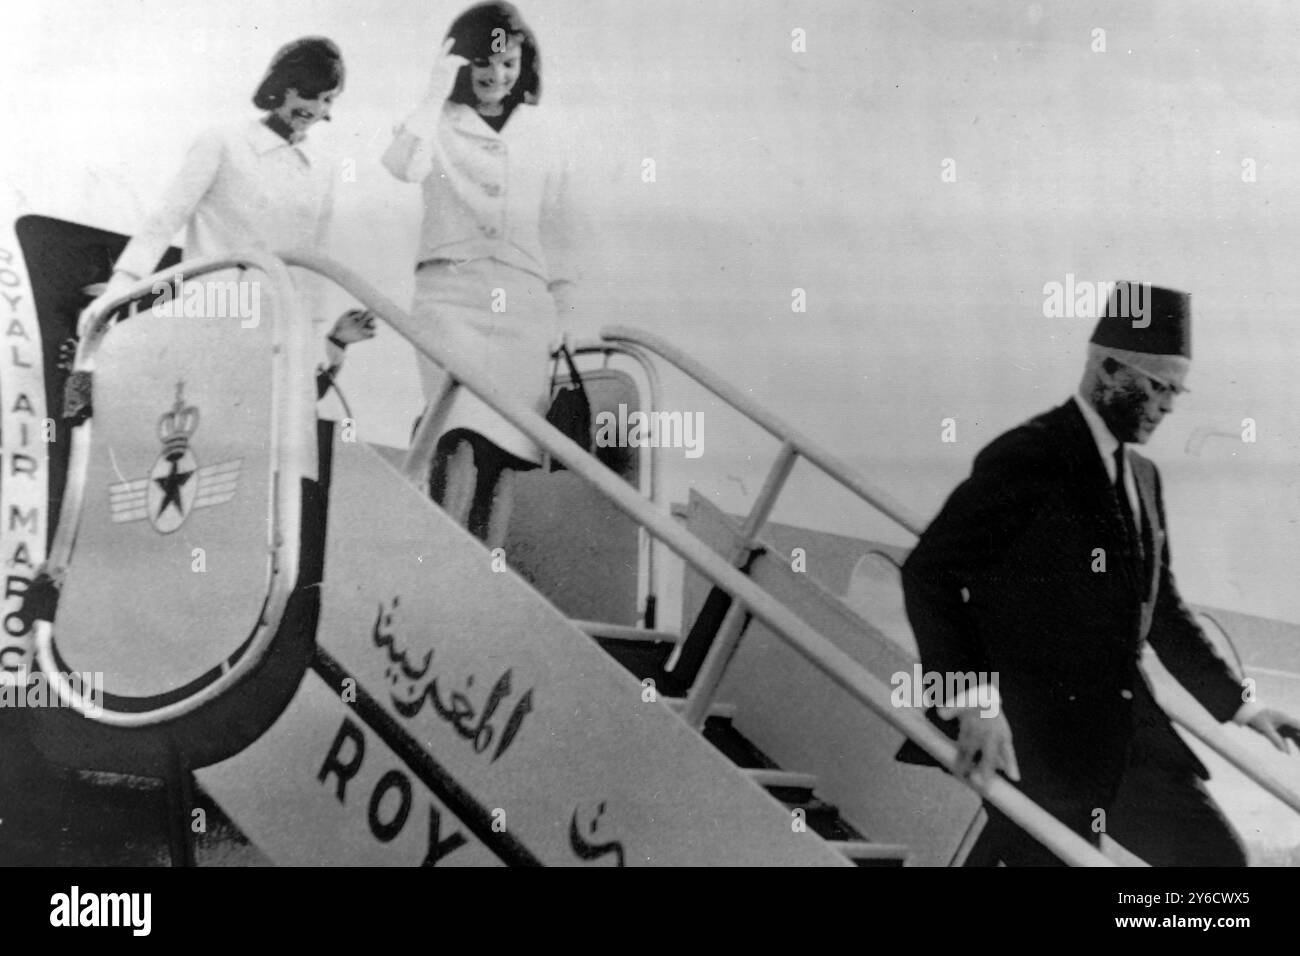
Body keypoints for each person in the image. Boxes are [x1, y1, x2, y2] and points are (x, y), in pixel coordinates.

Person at [900, 283, 1300, 866]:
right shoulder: (1031, 454)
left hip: (1125, 740)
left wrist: (1241, 705)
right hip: (1032, 736)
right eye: (1159, 387)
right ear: (1107, 369)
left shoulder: (1143, 477)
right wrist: (975, 702)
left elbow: (1162, 610)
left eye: (1177, 393)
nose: (1167, 406)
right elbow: (930, 573)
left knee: (1217, 870)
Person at [382, 1, 585, 547]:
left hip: (523, 308)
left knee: (505, 454)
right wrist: (432, 93)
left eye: (509, 65)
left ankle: (487, 579)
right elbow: (401, 166)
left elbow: (563, 232)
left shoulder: (546, 132)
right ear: (461, 63)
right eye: (484, 64)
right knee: (458, 436)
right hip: (451, 297)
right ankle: (443, 562)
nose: (497, 76)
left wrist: (566, 312)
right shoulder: (437, 122)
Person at [81, 36, 376, 400]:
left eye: (327, 99)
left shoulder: (323, 168)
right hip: (210, 309)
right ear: (282, 86)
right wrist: (121, 285)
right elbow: (166, 218)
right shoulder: (223, 141)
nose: (314, 107)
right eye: (308, 92)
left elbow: (315, 260)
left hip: (275, 323)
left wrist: (315, 339)